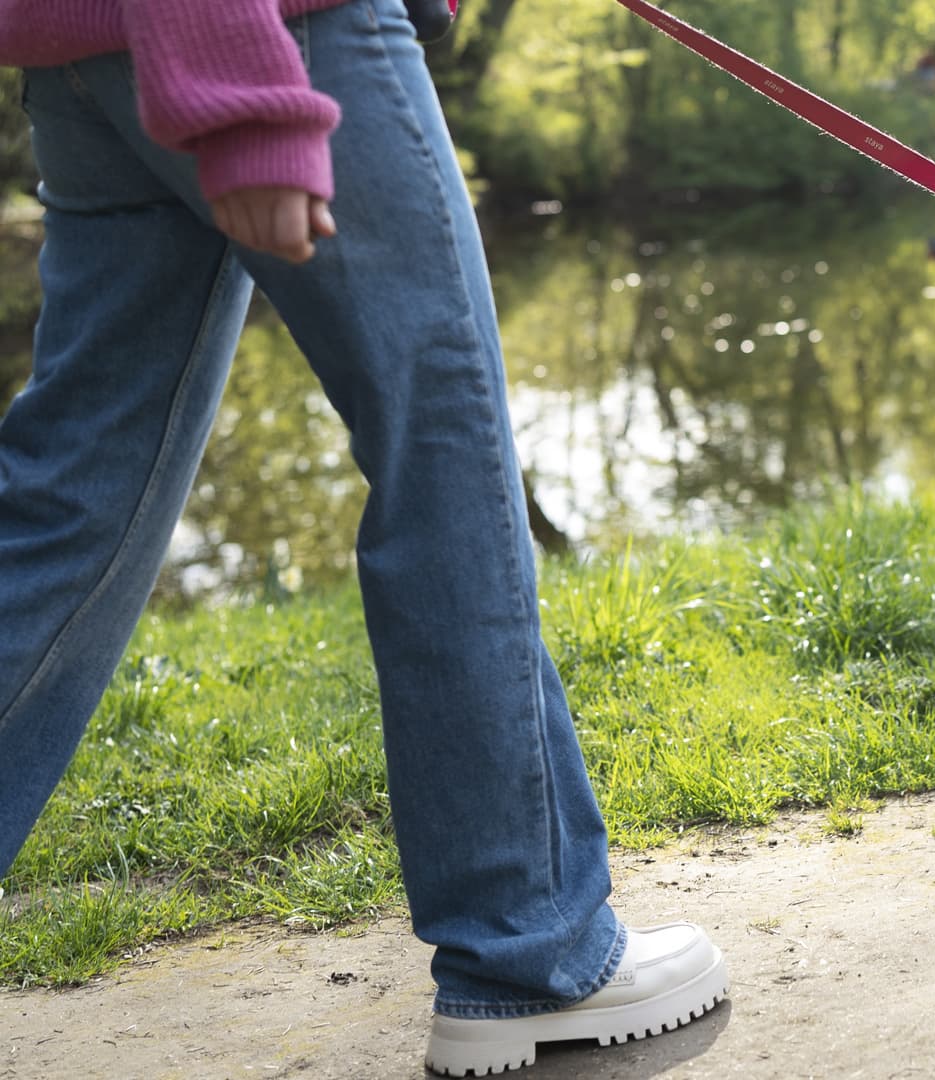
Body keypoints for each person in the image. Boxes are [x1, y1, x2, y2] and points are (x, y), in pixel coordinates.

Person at [0, 1, 727, 1074]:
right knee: (444, 457)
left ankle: (523, 933)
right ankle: (528, 949)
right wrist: (245, 97)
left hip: (84, 49)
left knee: (72, 502)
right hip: (277, 32)